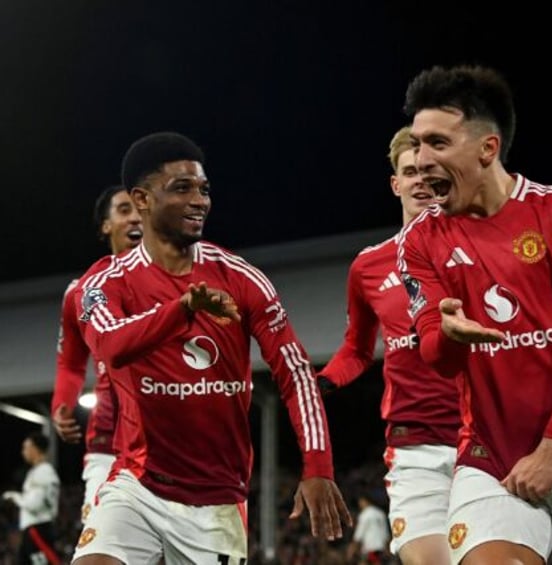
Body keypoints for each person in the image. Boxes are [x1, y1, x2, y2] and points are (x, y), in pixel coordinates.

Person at [396, 64, 552, 565]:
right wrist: (448, 336)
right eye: (418, 145)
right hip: (492, 456)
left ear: (487, 149)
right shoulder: (421, 240)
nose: (421, 161)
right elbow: (436, 357)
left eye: (437, 143)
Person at [70, 131, 351, 564]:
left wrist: (317, 467)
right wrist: (181, 310)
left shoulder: (242, 279)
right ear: (142, 200)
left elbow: (294, 374)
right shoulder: (104, 283)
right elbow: (110, 346)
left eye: (203, 189)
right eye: (182, 188)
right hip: (136, 485)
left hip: (215, 500)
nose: (199, 200)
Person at [317, 125, 459, 565]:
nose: (420, 180)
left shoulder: (476, 250)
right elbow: (357, 350)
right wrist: (319, 382)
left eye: (429, 172)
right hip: (414, 440)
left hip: (488, 437)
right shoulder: (368, 266)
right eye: (410, 171)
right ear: (396, 183)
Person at [51, 184, 143, 525]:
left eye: (140, 209)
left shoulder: (179, 283)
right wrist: (61, 404)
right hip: (108, 445)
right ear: (105, 226)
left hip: (173, 447)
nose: (135, 217)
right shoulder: (81, 292)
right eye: (123, 210)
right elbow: (71, 362)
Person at [2, 432, 62, 565]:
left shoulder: (43, 471)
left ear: (35, 449)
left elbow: (34, 504)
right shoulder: (36, 472)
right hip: (32, 530)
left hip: (38, 529)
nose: (23, 452)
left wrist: (14, 497)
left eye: (26, 447)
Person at [347, 493, 391, 565]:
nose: (360, 504)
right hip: (381, 548)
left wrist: (352, 548)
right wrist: (387, 548)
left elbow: (359, 534)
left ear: (364, 501)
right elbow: (386, 534)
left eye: (360, 502)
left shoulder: (365, 514)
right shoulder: (381, 513)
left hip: (370, 548)